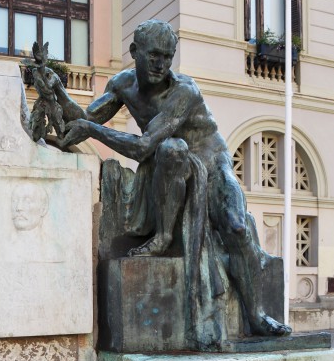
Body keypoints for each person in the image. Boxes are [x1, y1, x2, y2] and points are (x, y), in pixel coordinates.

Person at [51, 19, 291, 337]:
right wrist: (55, 89)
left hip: (211, 163)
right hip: (169, 162)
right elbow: (86, 118)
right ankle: (163, 237)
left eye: (166, 56)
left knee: (236, 224)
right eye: (153, 55)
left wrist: (90, 130)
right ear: (135, 52)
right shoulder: (121, 85)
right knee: (172, 148)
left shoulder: (183, 91)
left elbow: (141, 146)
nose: (160, 64)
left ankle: (257, 316)